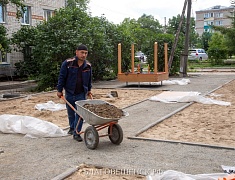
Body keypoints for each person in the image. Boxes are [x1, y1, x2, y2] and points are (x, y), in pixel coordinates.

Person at [57, 44, 92, 142]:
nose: (84, 55)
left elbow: (89, 79)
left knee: (80, 113)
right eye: (82, 52)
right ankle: (72, 127)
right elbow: (62, 77)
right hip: (69, 92)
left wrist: (89, 90)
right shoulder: (68, 63)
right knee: (71, 112)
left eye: (86, 53)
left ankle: (77, 133)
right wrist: (59, 90)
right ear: (76, 52)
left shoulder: (88, 66)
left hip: (81, 93)